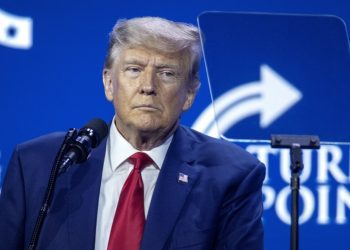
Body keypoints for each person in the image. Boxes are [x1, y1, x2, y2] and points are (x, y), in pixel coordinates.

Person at [0, 17, 265, 249]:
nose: (148, 86)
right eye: (134, 69)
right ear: (109, 82)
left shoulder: (231, 175)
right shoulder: (40, 163)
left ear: (190, 94)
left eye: (167, 73)